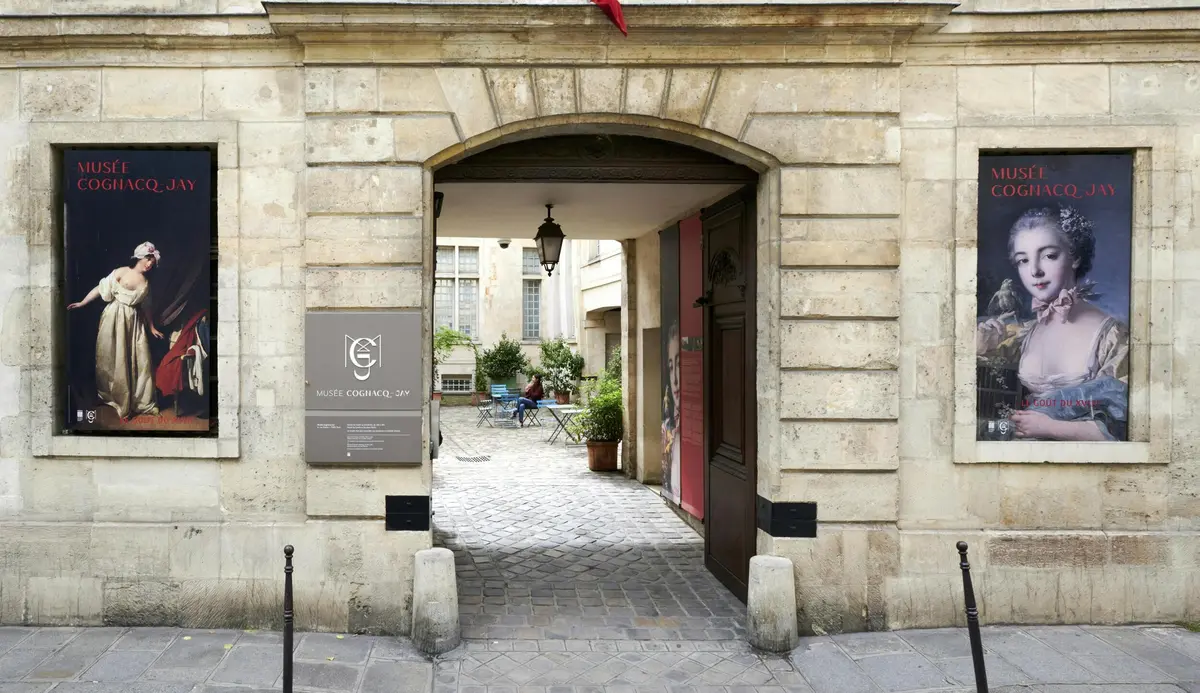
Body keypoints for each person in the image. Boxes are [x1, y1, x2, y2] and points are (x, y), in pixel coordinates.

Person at [976, 205, 1129, 441]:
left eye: (1048, 255)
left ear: (1075, 256)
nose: (1035, 271)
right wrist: (980, 345)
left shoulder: (1112, 336)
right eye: (1023, 260)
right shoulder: (1024, 333)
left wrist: (1050, 427)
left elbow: (1122, 426)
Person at [67, 242, 165, 421]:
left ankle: (140, 402)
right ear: (139, 257)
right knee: (112, 357)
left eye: (152, 261)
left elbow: (146, 307)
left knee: (137, 361)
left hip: (134, 323)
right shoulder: (121, 271)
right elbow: (101, 288)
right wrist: (82, 302)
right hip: (114, 319)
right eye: (148, 259)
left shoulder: (146, 282)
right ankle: (116, 400)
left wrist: (151, 327)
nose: (150, 264)